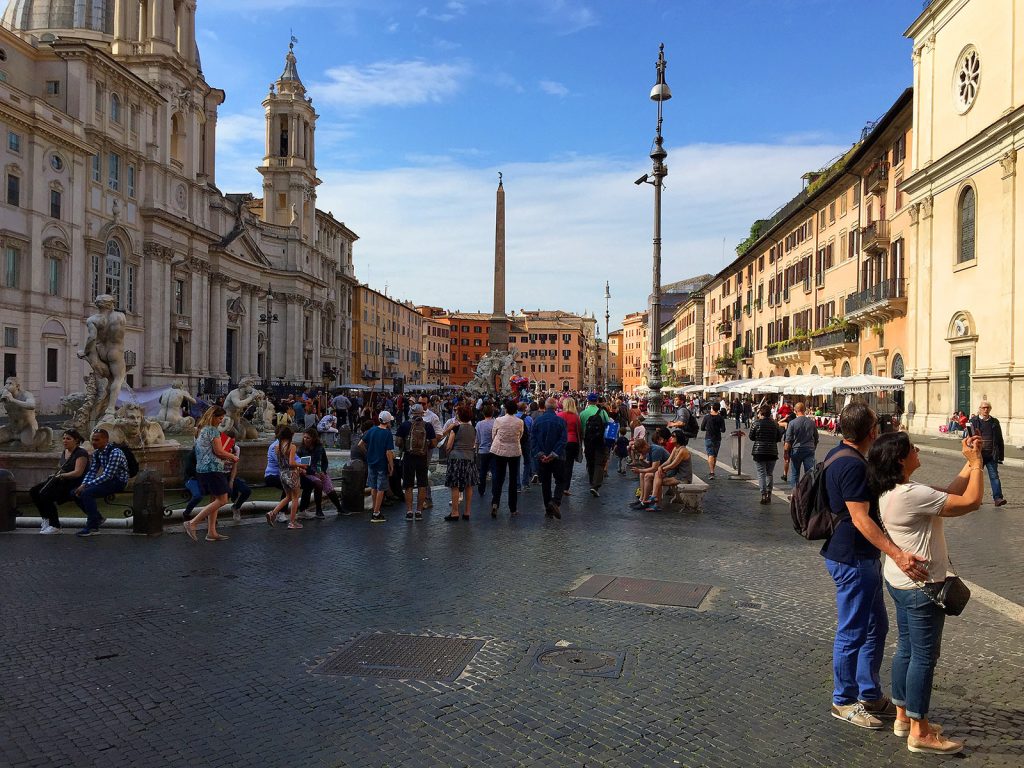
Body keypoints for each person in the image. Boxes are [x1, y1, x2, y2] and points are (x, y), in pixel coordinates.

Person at [866, 433, 985, 755]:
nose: (918, 451)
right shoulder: (912, 494)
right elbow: (971, 501)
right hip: (923, 589)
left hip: (901, 582)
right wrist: (977, 465)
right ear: (901, 460)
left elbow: (948, 492)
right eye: (912, 449)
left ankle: (904, 717)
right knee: (923, 657)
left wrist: (967, 462)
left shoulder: (894, 491)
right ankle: (920, 731)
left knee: (906, 650)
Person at [822, 402, 930, 730]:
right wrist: (897, 553)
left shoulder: (840, 454)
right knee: (853, 631)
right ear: (872, 432)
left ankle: (868, 693)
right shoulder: (852, 466)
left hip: (859, 558)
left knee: (875, 628)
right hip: (853, 558)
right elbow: (859, 519)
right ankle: (843, 700)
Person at [183, 406, 237, 541]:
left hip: (202, 469)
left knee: (215, 499)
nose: (221, 421)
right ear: (212, 417)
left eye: (222, 418)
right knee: (223, 500)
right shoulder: (213, 431)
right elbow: (218, 451)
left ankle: (211, 532)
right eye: (219, 418)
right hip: (213, 469)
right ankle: (192, 522)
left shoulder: (201, 430)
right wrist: (232, 456)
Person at [73, 428, 129, 537]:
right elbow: (92, 471)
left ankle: (93, 527)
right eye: (93, 440)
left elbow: (108, 475)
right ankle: (97, 518)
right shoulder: (97, 453)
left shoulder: (115, 452)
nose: (94, 442)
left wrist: (86, 486)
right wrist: (82, 485)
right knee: (75, 493)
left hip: (119, 481)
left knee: (87, 493)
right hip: (108, 481)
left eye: (97, 440)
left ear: (106, 440)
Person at [30, 429, 88, 534]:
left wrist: (61, 475)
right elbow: (61, 467)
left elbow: (78, 472)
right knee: (34, 491)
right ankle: (46, 519)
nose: (65, 441)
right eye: (64, 438)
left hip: (74, 483)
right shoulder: (65, 451)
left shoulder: (81, 453)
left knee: (45, 494)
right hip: (61, 481)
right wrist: (57, 475)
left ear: (76, 440)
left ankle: (55, 526)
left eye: (68, 439)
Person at [396, 404, 437, 521]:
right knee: (422, 485)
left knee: (408, 485)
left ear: (411, 412)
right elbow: (434, 444)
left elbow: (398, 442)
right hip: (422, 458)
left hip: (408, 457)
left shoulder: (405, 425)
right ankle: (419, 511)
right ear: (422, 413)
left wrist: (406, 443)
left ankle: (409, 511)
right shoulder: (428, 426)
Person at [531, 396, 567, 518]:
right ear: (556, 407)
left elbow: (533, 440)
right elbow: (563, 440)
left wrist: (541, 454)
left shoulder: (537, 421)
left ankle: (548, 509)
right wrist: (553, 454)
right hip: (557, 458)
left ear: (545, 407)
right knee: (561, 480)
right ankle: (555, 501)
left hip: (542, 458)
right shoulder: (561, 421)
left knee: (545, 483)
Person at [263, 426, 305, 529]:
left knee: (288, 497)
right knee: (295, 497)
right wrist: (301, 465)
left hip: (282, 474)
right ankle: (292, 522)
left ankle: (273, 513)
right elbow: (291, 462)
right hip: (291, 474)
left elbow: (281, 462)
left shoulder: (277, 447)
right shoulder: (292, 446)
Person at [641, 429, 693, 512]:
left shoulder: (683, 450)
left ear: (679, 438)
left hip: (683, 478)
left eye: (673, 436)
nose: (671, 437)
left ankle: (655, 501)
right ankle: (653, 500)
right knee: (655, 475)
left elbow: (673, 465)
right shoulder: (676, 448)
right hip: (677, 475)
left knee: (657, 479)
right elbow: (668, 461)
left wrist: (662, 469)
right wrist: (660, 467)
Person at [296, 428, 343, 518]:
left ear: (314, 439)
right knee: (318, 484)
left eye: (308, 438)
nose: (305, 439)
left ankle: (339, 508)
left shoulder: (320, 448)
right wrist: (314, 473)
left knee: (329, 486)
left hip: (319, 471)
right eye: (304, 437)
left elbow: (325, 461)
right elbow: (302, 466)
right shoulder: (301, 450)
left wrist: (323, 471)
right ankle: (318, 509)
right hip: (307, 473)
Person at [358, 411, 396, 523]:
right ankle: (376, 513)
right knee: (381, 488)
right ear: (388, 421)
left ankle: (375, 509)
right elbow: (388, 452)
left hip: (371, 462)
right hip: (382, 463)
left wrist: (368, 453)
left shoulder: (372, 430)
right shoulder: (387, 433)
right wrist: (391, 465)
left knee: (373, 487)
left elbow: (360, 444)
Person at [967, 401, 1007, 506]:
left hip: (991, 454)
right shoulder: (973, 421)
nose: (986, 410)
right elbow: (968, 438)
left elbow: (999, 439)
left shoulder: (994, 422)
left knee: (994, 476)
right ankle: (975, 498)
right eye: (984, 408)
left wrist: (1000, 456)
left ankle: (998, 498)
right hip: (978, 455)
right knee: (976, 476)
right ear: (980, 409)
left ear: (990, 409)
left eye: (988, 408)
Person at [489, 400, 524, 518]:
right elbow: (520, 435)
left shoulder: (498, 420)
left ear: (506, 409)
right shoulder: (520, 422)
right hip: (514, 451)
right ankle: (513, 508)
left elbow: (493, 435)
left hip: (499, 451)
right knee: (513, 480)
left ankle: (495, 503)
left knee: (498, 478)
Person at [444, 403, 478, 521]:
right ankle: (467, 512)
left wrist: (448, 452)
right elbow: (474, 444)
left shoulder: (456, 428)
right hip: (469, 459)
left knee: (455, 486)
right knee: (469, 486)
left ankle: (454, 512)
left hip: (456, 459)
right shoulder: (474, 429)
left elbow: (448, 446)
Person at [748, 405, 785, 504]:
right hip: (772, 451)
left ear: (761, 413)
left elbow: (751, 437)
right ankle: (769, 493)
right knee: (769, 473)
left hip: (759, 451)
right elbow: (778, 438)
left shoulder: (756, 423)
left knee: (761, 474)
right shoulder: (775, 424)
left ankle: (763, 495)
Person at [578, 393, 610, 497]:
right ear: (596, 401)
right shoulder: (602, 412)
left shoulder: (583, 413)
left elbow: (581, 429)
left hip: (588, 441)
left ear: (588, 401)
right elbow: (608, 424)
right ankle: (596, 486)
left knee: (590, 461)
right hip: (600, 441)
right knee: (599, 463)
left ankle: (591, 481)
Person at [630, 431, 670, 509]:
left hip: (668, 471)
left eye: (641, 451)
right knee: (642, 474)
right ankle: (641, 498)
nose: (641, 453)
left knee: (647, 476)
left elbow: (654, 468)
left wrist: (639, 470)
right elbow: (648, 465)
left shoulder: (656, 450)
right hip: (660, 470)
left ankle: (644, 501)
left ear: (645, 447)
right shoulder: (648, 450)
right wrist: (641, 461)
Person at [783, 402, 819, 485]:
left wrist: (786, 453)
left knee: (795, 474)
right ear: (804, 410)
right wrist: (813, 447)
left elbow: (788, 440)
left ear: (795, 410)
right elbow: (816, 438)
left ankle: (794, 494)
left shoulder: (792, 423)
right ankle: (809, 493)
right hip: (809, 449)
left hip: (796, 450)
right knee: (809, 474)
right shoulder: (811, 422)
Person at [557, 397, 582, 495]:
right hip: (572, 442)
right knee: (569, 465)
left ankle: (559, 484)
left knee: (560, 464)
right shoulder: (576, 417)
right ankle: (566, 488)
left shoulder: (559, 415)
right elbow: (579, 430)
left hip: (561, 442)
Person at [700, 403, 727, 478]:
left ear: (712, 408)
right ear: (718, 409)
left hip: (708, 437)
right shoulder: (720, 418)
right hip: (717, 438)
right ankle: (712, 471)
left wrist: (708, 429)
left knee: (710, 454)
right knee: (714, 455)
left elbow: (702, 428)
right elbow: (723, 430)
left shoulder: (707, 417)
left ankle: (712, 472)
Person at [475, 403, 496, 498]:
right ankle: (495, 490)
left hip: (482, 451)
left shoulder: (479, 424)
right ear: (492, 413)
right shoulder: (496, 422)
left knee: (482, 471)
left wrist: (476, 450)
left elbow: (477, 439)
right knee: (495, 471)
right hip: (494, 450)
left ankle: (481, 490)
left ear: (483, 413)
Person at [516, 402, 535, 493]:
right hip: (526, 442)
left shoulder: (514, 417)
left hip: (516, 442)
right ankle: (525, 483)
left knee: (516, 463)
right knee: (527, 462)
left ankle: (517, 485)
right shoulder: (529, 418)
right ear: (525, 409)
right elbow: (532, 431)